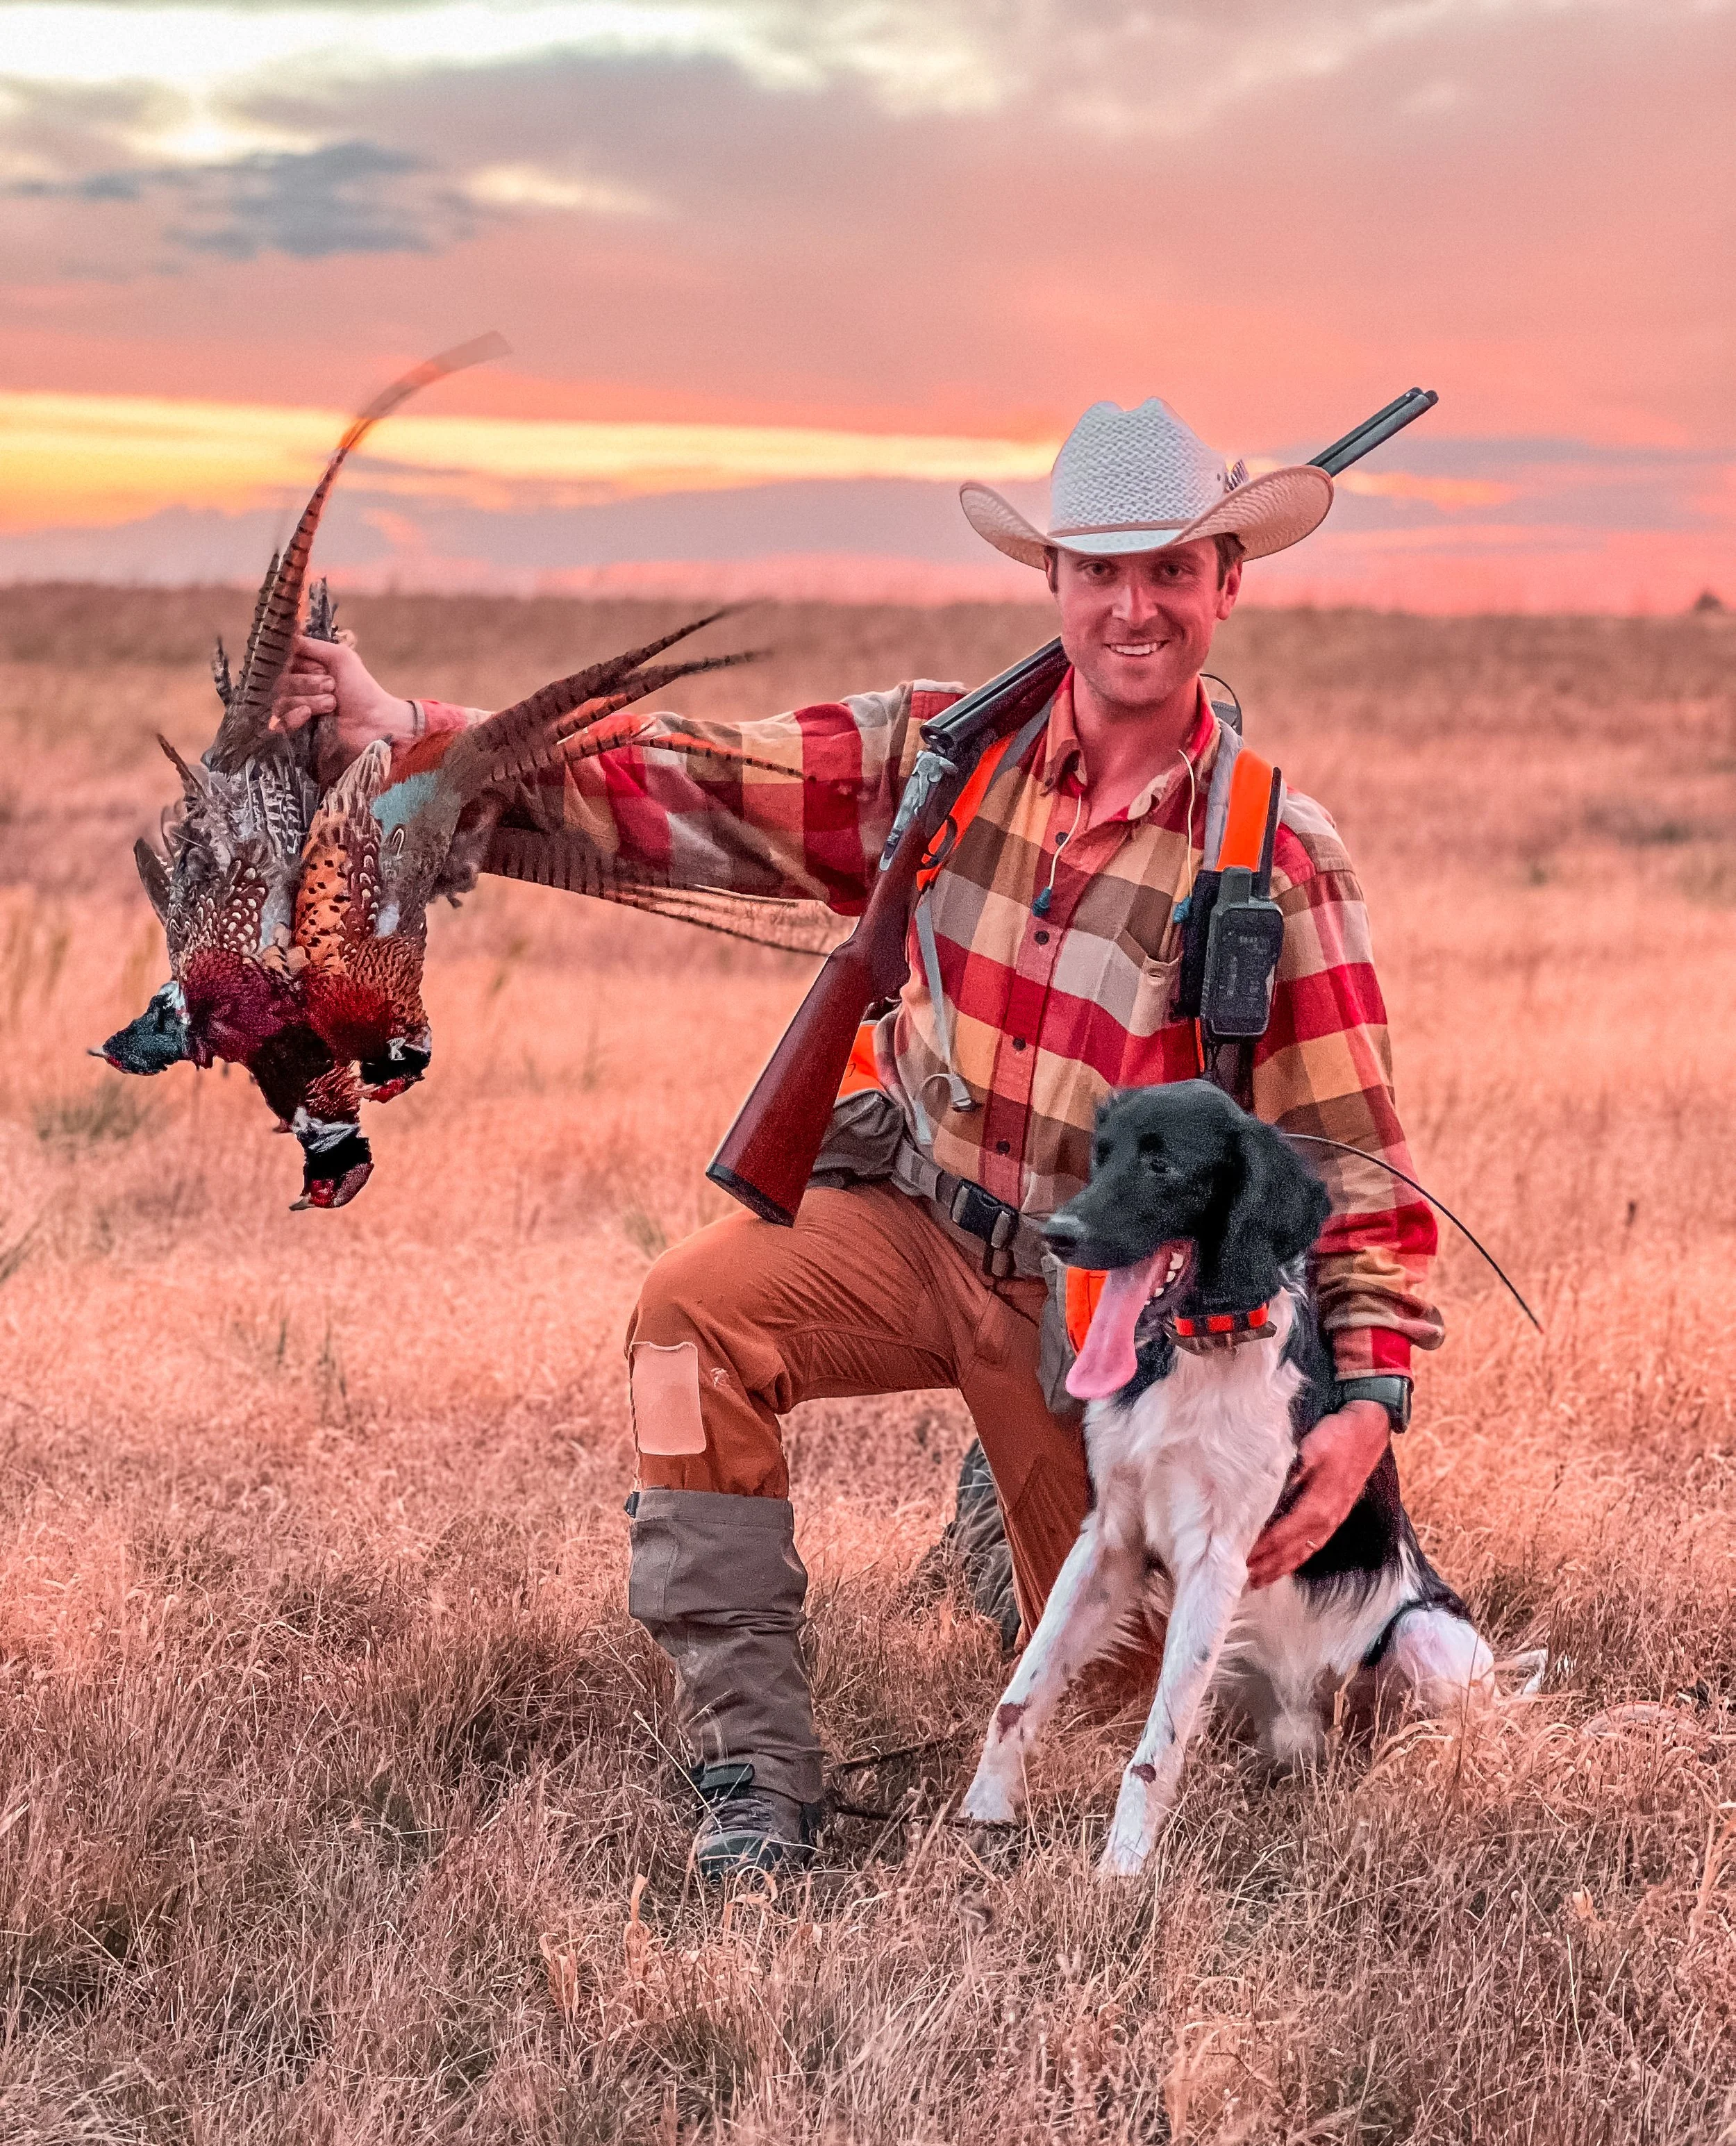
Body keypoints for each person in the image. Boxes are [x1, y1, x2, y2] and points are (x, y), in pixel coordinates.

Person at [275, 398, 1441, 1877]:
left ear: (1226, 584)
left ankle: (1091, 1546)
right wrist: (421, 738)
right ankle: (753, 1780)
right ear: (1052, 583)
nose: (1130, 606)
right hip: (912, 1213)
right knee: (687, 1315)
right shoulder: (940, 757)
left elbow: (1353, 1160)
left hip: (1106, 1314)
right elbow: (689, 771)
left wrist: (1363, 1404)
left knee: (1116, 1707)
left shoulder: (1274, 849)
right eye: (1097, 569)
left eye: (1168, 571)